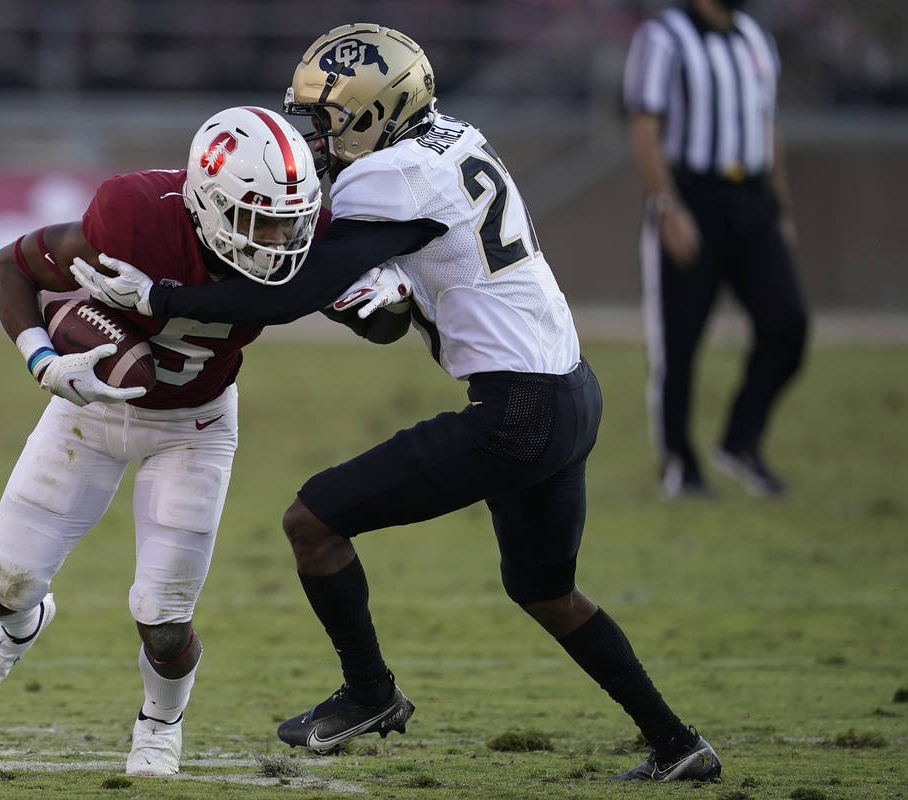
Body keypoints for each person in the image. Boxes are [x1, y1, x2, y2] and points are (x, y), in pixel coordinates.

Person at [74, 22, 722, 782]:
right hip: (572, 395)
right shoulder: (453, 140)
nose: (313, 133)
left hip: (519, 411)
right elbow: (397, 281)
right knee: (546, 592)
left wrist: (164, 295)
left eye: (327, 118)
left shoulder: (392, 176)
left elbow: (296, 289)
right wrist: (392, 290)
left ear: (378, 113)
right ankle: (678, 744)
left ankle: (371, 693)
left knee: (312, 523)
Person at [0, 105, 340, 777]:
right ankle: (20, 625)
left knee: (163, 616)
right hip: (88, 415)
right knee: (1, 588)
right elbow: (5, 267)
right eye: (260, 218)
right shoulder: (133, 218)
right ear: (210, 205)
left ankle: (160, 721)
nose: (280, 236)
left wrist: (389, 293)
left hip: (196, 425)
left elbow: (332, 296)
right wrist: (44, 360)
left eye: (290, 218)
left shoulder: (306, 232)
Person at [622, 0, 809, 499]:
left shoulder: (754, 35)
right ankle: (680, 464)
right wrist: (668, 205)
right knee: (678, 344)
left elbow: (767, 124)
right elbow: (644, 125)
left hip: (752, 199)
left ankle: (740, 442)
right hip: (693, 195)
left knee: (788, 325)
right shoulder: (664, 36)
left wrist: (780, 205)